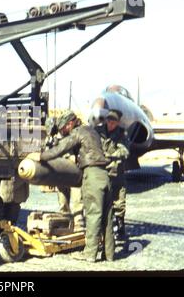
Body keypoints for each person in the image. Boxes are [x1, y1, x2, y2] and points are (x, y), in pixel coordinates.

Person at [28, 110, 114, 262]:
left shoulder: (77, 132)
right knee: (107, 217)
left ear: (70, 124)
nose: (63, 131)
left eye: (63, 128)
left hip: (92, 175)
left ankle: (89, 254)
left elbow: (61, 149)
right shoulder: (91, 131)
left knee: (93, 216)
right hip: (104, 175)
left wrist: (40, 156)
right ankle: (109, 254)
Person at [44, 116, 85, 231]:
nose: (64, 129)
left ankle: (78, 221)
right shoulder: (54, 137)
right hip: (61, 171)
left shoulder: (77, 133)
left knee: (77, 198)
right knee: (62, 199)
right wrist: (50, 177)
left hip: (75, 169)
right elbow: (49, 155)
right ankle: (65, 221)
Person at [95, 109, 130, 241]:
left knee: (119, 202)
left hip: (116, 173)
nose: (110, 123)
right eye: (109, 120)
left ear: (118, 122)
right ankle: (102, 230)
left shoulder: (122, 134)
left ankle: (120, 227)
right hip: (101, 172)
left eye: (113, 122)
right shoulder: (98, 131)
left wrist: (110, 156)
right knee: (101, 202)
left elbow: (125, 151)